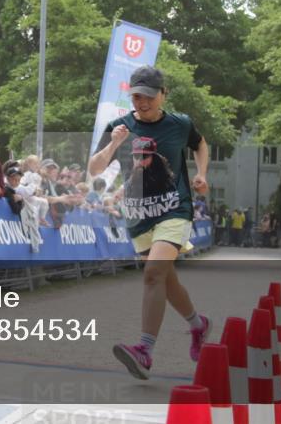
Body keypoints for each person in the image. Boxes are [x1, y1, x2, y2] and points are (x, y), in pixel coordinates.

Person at [88, 65, 211, 379]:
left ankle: (144, 350)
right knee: (166, 281)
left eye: (149, 97)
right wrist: (114, 144)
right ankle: (198, 325)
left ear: (163, 94)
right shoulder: (120, 126)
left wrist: (201, 174)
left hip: (175, 209)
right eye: (137, 97)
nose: (142, 103)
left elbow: (200, 144)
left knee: (153, 274)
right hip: (139, 215)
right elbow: (93, 169)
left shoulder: (180, 124)